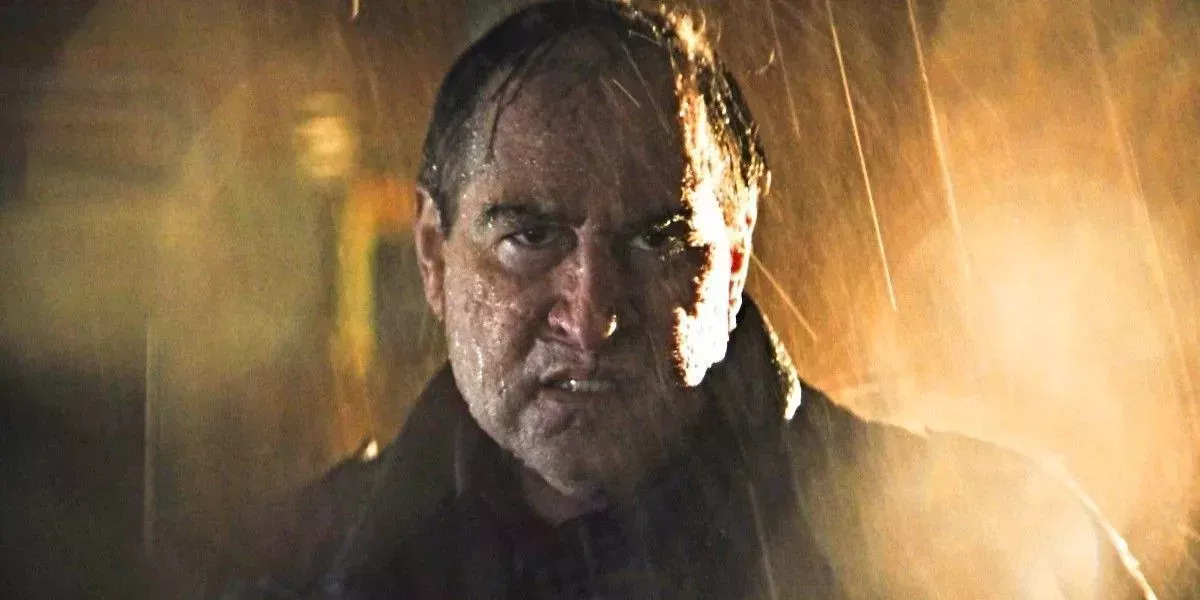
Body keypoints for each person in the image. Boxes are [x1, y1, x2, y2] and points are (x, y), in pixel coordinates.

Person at [217, 1, 1156, 598]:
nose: (591, 316)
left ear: (734, 264)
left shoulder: (987, 555)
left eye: (659, 241)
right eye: (529, 237)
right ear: (434, 253)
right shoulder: (286, 573)